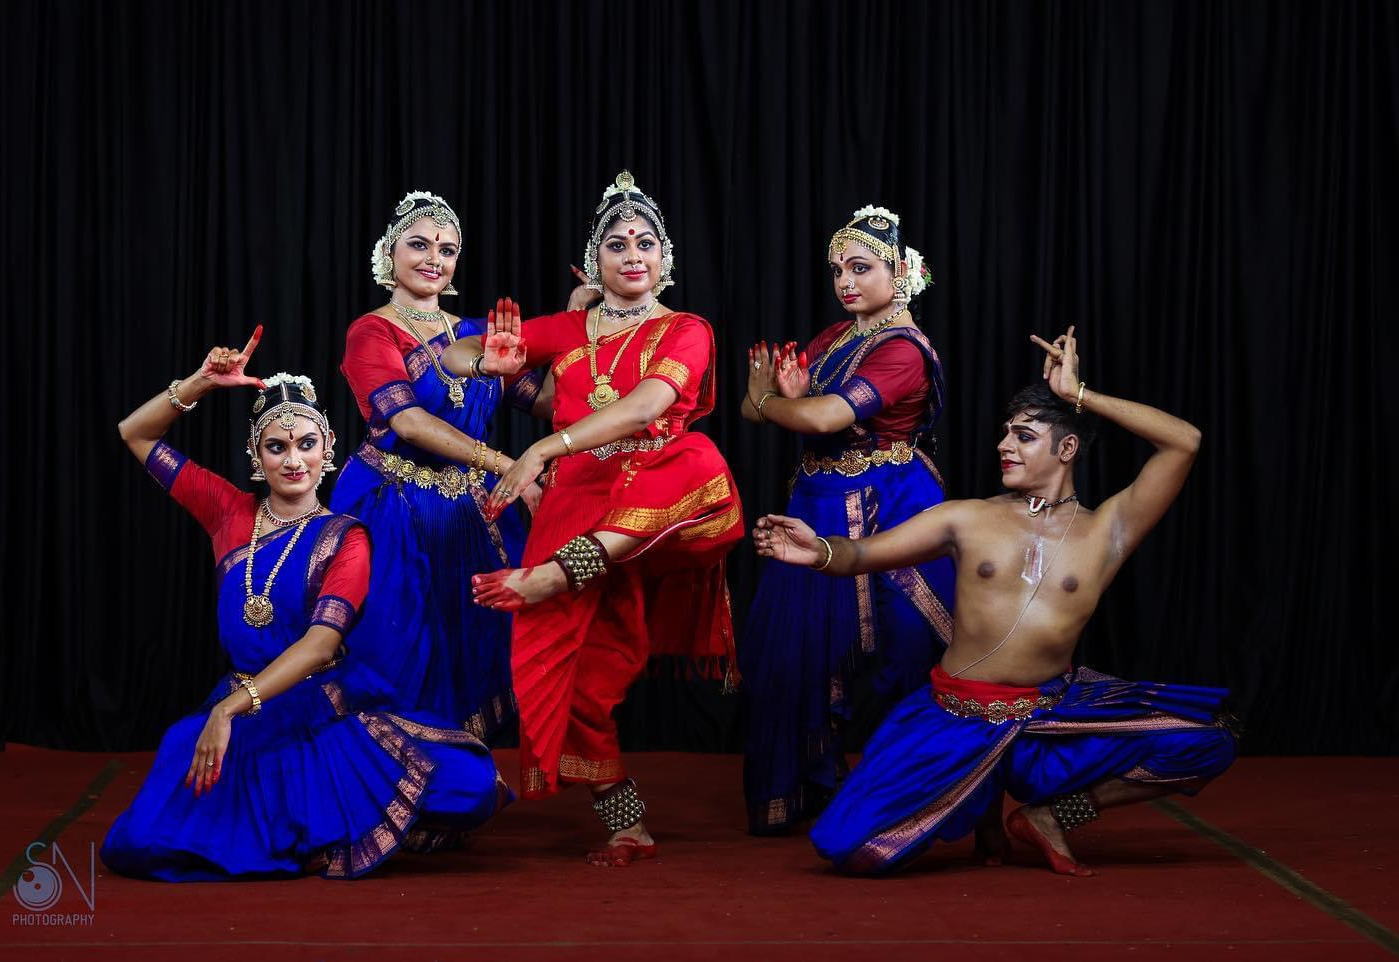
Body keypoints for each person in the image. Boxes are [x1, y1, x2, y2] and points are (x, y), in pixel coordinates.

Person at [754, 328, 1236, 876]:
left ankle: (1051, 815)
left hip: (1048, 715)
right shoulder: (968, 517)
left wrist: (1080, 396)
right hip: (958, 714)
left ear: (1067, 447)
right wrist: (816, 550)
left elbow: (1185, 441)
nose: (1004, 445)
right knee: (851, 849)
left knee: (1206, 742)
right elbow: (860, 555)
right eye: (1005, 433)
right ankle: (974, 793)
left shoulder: (1108, 530)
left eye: (1025, 436)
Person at [102, 334, 508, 881]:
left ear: (328, 446)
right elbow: (135, 432)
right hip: (250, 707)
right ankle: (321, 823)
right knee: (142, 839)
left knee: (471, 786)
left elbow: (320, 645)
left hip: (322, 705)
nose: (293, 460)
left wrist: (228, 709)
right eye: (277, 447)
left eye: (305, 444)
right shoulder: (227, 512)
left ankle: (324, 816)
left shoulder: (347, 537)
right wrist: (200, 383)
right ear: (256, 455)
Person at [440, 171, 744, 866]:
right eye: (616, 243)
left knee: (699, 458)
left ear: (665, 257)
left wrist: (543, 445)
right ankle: (626, 820)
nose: (632, 253)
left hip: (657, 487)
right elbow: (455, 352)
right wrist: (485, 361)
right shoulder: (571, 328)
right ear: (594, 259)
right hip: (580, 499)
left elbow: (643, 408)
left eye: (645, 242)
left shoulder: (686, 329)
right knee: (577, 679)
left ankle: (555, 575)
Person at [738, 204, 953, 836]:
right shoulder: (836, 337)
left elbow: (824, 417)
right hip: (820, 498)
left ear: (899, 272)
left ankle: (902, 791)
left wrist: (777, 400)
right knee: (799, 651)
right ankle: (813, 785)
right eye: (837, 270)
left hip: (891, 500)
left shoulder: (904, 350)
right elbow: (760, 412)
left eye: (860, 268)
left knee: (903, 647)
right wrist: (780, 402)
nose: (845, 282)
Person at [329, 191, 530, 739]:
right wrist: (506, 462)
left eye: (447, 249)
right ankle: (392, 786)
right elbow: (409, 421)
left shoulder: (474, 334)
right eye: (418, 244)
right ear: (388, 253)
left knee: (472, 645)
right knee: (400, 647)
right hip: (394, 509)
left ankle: (451, 791)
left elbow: (552, 400)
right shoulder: (372, 331)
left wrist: (588, 316)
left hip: (470, 512)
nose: (432, 259)